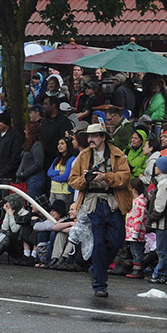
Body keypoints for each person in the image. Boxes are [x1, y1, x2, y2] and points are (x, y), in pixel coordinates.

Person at [68, 122, 132, 297]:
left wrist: (105, 176)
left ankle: (96, 269)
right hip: (92, 203)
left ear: (103, 137)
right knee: (98, 243)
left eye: (95, 135)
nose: (90, 139)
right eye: (89, 136)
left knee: (117, 240)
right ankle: (100, 284)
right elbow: (72, 180)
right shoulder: (82, 157)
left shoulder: (118, 155)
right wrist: (85, 179)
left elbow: (125, 178)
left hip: (113, 201)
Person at [147, 156, 167, 284]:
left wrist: (151, 217)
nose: (155, 168)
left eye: (157, 166)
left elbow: (160, 206)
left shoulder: (164, 184)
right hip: (164, 221)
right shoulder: (165, 182)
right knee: (163, 248)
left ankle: (161, 273)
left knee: (163, 249)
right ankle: (162, 272)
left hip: (163, 222)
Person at [124, 178, 149, 279]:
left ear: (133, 190)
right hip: (132, 230)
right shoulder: (136, 201)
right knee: (134, 250)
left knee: (137, 251)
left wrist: (135, 231)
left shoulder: (139, 202)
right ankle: (136, 267)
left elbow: (138, 217)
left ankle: (138, 269)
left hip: (136, 231)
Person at [0, 111, 23, 183]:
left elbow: (16, 155)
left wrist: (7, 170)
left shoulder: (15, 136)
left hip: (8, 176)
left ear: (6, 123)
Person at [16, 122, 46, 199]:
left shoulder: (37, 145)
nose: (24, 131)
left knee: (33, 203)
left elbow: (38, 164)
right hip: (27, 180)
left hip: (34, 180)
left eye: (26, 129)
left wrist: (24, 173)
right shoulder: (29, 144)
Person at [47, 136, 76, 207]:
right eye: (58, 144)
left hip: (64, 191)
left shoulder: (71, 159)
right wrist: (58, 173)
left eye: (62, 144)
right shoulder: (57, 159)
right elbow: (49, 172)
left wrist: (53, 178)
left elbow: (66, 176)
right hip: (53, 190)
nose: (59, 146)